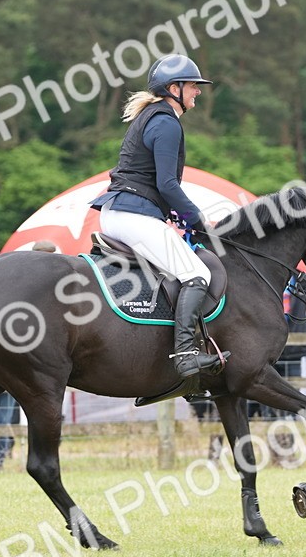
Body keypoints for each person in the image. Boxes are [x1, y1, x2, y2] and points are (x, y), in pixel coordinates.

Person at [88, 53, 225, 380]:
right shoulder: (165, 122)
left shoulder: (154, 116)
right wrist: (197, 219)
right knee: (197, 275)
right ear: (174, 87)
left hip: (125, 212)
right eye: (193, 85)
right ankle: (185, 355)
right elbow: (166, 184)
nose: (198, 92)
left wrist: (176, 217)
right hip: (132, 216)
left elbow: (155, 184)